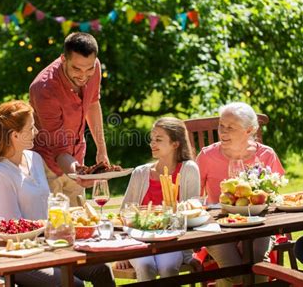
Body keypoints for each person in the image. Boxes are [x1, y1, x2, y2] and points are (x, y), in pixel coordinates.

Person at [0, 100, 115, 287]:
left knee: (102, 269)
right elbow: (11, 226)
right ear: (15, 135)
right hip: (22, 256)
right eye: (31, 128)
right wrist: (48, 228)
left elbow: (47, 204)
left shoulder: (34, 159)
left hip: (51, 245)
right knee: (74, 285)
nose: (36, 132)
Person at [196, 102, 285, 286]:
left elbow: (275, 198)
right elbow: (194, 199)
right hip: (218, 227)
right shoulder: (206, 156)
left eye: (231, 127)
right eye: (221, 125)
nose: (223, 131)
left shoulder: (266, 155)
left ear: (249, 130)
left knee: (258, 263)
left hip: (258, 224)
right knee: (234, 269)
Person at [116, 117, 203, 281]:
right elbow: (124, 214)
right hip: (138, 239)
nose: (152, 144)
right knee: (145, 266)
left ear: (175, 144)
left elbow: (193, 213)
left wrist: (188, 254)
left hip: (172, 240)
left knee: (168, 267)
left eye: (158, 139)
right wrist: (123, 252)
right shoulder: (140, 173)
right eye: (152, 139)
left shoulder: (188, 170)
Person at [29, 32, 109, 206]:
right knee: (55, 227)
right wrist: (78, 173)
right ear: (63, 59)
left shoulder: (92, 67)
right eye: (77, 69)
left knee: (81, 222)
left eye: (89, 69)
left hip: (76, 158)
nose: (83, 75)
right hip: (46, 164)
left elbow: (93, 104)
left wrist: (101, 150)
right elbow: (59, 149)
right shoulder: (45, 90)